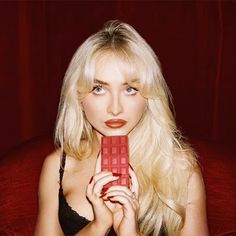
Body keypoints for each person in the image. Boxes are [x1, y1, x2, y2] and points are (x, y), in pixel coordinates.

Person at [34, 20, 208, 236]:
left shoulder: (180, 168)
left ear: (149, 96)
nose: (114, 108)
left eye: (130, 89)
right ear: (77, 95)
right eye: (98, 89)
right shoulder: (57, 166)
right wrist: (98, 226)